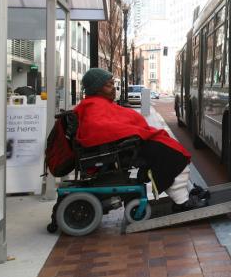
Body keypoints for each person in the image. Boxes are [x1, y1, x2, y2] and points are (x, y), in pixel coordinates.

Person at [74, 68, 207, 212]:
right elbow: (101, 129)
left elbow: (111, 125)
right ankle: (182, 201)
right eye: (109, 85)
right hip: (123, 147)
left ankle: (189, 190)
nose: (113, 88)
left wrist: (137, 130)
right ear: (97, 88)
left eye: (113, 84)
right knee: (171, 153)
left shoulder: (96, 103)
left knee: (169, 146)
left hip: (127, 143)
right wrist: (136, 132)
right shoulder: (94, 106)